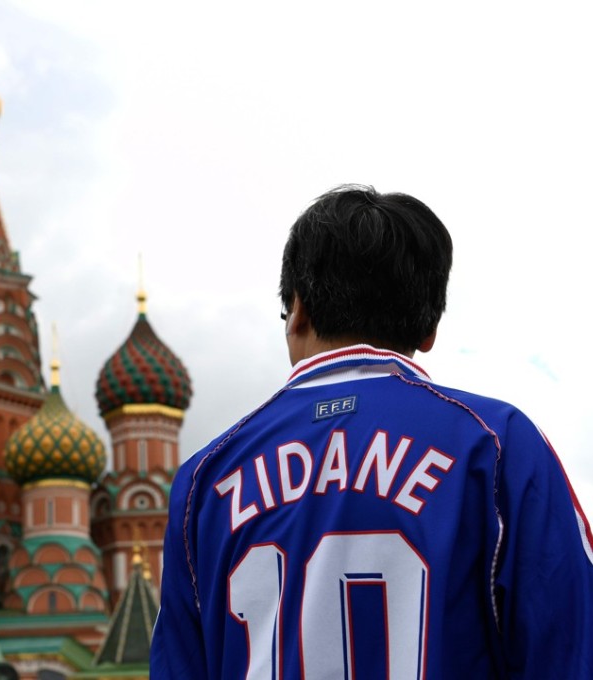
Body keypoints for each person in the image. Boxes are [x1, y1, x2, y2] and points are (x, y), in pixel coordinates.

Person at [150, 185, 593, 678]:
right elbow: (571, 648)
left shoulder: (203, 481)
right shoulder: (496, 444)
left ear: (297, 310)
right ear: (428, 331)